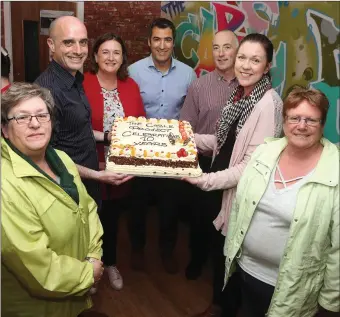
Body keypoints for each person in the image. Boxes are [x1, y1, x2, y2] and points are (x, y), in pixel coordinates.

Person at [184, 33, 283, 317]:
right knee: (220, 251)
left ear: (266, 67)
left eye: (255, 60)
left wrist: (203, 181)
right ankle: (220, 304)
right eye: (243, 58)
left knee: (231, 257)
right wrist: (187, 138)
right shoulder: (241, 94)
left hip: (237, 190)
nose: (246, 65)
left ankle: (223, 309)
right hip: (221, 180)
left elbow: (248, 167)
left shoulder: (268, 104)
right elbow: (223, 140)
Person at [224, 87, 339, 316]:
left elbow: (338, 248)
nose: (301, 126)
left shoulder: (334, 171)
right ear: (284, 121)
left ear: (322, 125)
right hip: (246, 272)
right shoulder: (265, 152)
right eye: (294, 118)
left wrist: (330, 304)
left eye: (311, 120)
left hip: (294, 291)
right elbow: (241, 205)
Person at [1, 83, 104, 317]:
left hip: (71, 296)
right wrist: (88, 274)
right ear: (5, 130)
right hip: (36, 307)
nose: (35, 123)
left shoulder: (61, 158)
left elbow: (87, 209)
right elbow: (35, 266)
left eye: (41, 115)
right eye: (22, 117)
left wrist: (93, 257)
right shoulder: (5, 186)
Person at [35, 16, 131, 209]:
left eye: (82, 42)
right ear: (51, 45)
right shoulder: (47, 91)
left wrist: (107, 136)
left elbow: (76, 130)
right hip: (68, 193)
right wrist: (97, 175)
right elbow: (46, 156)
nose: (78, 51)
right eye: (68, 43)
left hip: (88, 187)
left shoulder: (75, 80)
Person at [127, 17, 197, 274]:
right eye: (157, 39)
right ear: (149, 42)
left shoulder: (188, 74)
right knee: (138, 204)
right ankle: (136, 249)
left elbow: (190, 112)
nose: (162, 45)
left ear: (173, 42)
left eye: (167, 39)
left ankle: (167, 252)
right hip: (140, 151)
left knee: (170, 206)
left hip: (172, 153)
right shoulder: (134, 72)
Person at [83, 33, 145, 292]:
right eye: (105, 52)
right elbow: (76, 127)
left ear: (123, 58)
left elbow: (140, 121)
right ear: (95, 56)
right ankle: (88, 270)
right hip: (89, 163)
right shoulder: (82, 83)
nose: (110, 57)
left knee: (111, 218)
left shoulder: (129, 85)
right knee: (88, 218)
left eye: (116, 53)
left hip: (122, 167)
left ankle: (110, 264)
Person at [179, 29, 239, 280]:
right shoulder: (199, 85)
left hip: (236, 163)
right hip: (203, 162)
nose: (221, 53)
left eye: (227, 47)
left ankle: (221, 269)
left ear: (238, 50)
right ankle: (197, 258)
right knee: (200, 217)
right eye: (216, 47)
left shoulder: (250, 87)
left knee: (228, 219)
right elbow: (185, 126)